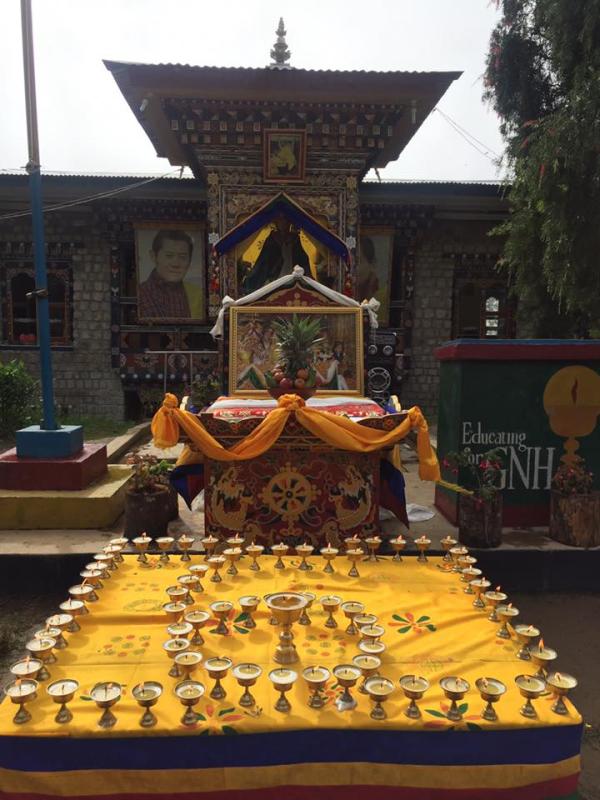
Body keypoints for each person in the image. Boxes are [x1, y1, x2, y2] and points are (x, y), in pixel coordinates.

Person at [138, 229, 203, 320]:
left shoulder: (198, 294)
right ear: (153, 256)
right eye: (169, 256)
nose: (175, 264)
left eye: (182, 257)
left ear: (190, 261)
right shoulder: (141, 293)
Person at [241, 215, 310, 295]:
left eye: (285, 221)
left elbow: (302, 258)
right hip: (274, 275)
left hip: (292, 273)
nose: (283, 223)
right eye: (280, 220)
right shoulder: (272, 238)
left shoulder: (294, 238)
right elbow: (264, 260)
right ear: (276, 223)